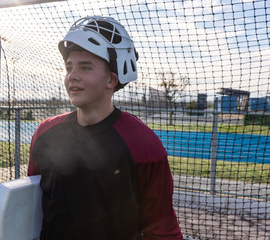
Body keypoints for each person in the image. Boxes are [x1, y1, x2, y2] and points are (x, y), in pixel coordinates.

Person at [28, 16, 183, 240]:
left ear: (111, 80)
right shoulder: (46, 132)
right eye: (69, 67)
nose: (72, 76)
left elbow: (162, 231)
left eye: (86, 67)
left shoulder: (143, 144)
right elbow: (32, 204)